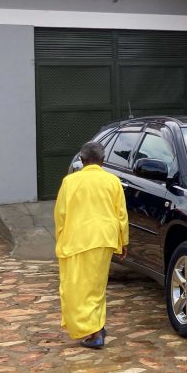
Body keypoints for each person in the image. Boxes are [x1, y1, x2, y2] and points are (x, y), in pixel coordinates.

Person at [54, 141, 129, 348]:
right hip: (104, 239)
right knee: (96, 286)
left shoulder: (70, 182)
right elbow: (121, 214)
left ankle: (94, 333)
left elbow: (60, 215)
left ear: (81, 160)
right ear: (103, 160)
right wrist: (123, 242)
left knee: (76, 289)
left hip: (76, 240)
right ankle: (97, 324)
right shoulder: (113, 181)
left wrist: (60, 238)